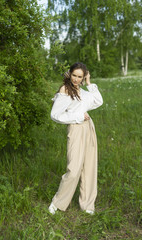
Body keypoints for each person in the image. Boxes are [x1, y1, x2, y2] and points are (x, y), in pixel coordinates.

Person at [48, 62, 103, 215]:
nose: (76, 79)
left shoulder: (83, 91)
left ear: (84, 76)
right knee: (74, 169)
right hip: (76, 129)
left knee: (89, 167)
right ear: (70, 74)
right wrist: (78, 116)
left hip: (89, 128)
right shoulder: (65, 90)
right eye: (74, 75)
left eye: (80, 76)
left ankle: (87, 205)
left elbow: (98, 101)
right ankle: (57, 203)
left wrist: (89, 83)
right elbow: (55, 115)